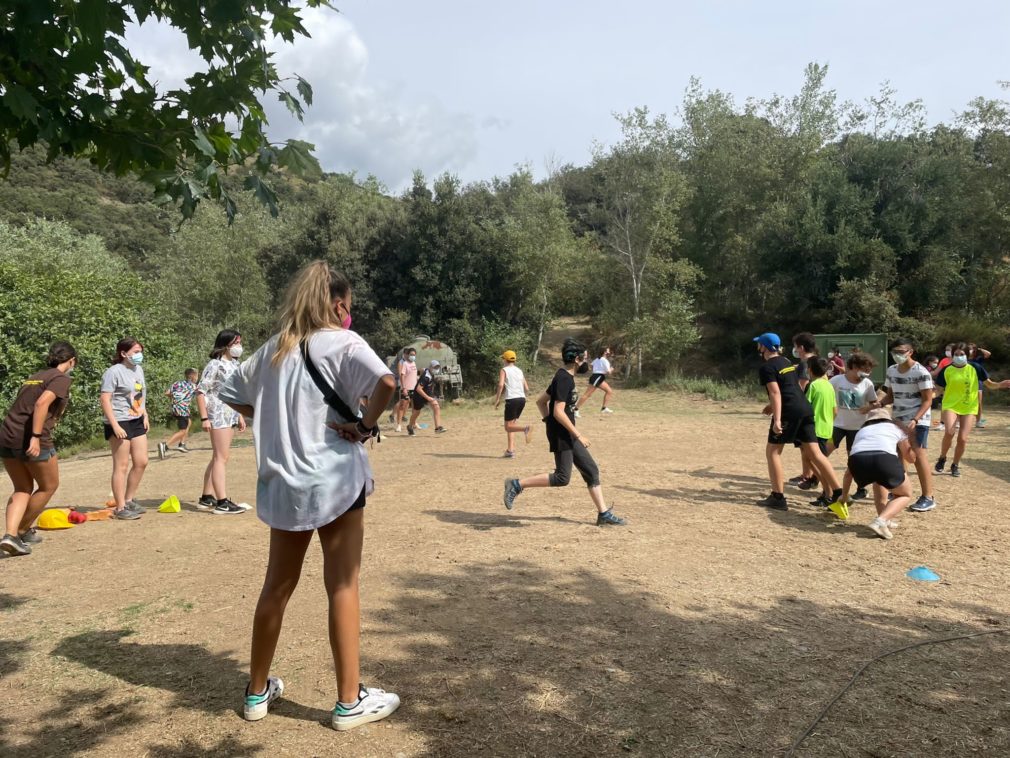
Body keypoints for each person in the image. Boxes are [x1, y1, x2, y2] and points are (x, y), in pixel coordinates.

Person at [218, 260, 400, 731]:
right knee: (342, 585)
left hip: (284, 484)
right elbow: (386, 383)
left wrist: (269, 415)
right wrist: (364, 426)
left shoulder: (270, 351)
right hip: (336, 480)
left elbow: (227, 387)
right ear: (338, 304)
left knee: (276, 587)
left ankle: (256, 693)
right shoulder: (344, 342)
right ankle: (348, 702)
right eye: (349, 307)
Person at [503, 338, 626, 525]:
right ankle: (517, 484)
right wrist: (576, 434)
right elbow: (558, 411)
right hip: (564, 434)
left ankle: (603, 514)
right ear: (576, 359)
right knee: (562, 477)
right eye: (584, 358)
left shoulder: (563, 376)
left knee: (591, 470)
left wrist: (548, 422)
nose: (586, 361)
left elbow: (541, 401)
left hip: (564, 431)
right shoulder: (564, 379)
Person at [0, 342, 77, 556]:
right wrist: (34, 437)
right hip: (32, 437)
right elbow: (42, 404)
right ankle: (18, 532)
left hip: (7, 434)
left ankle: (11, 535)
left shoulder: (36, 375)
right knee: (48, 485)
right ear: (71, 360)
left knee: (22, 488)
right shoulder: (60, 378)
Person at [753, 332, 841, 511]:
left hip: (789, 412)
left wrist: (777, 419)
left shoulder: (767, 367)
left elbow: (776, 393)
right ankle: (838, 492)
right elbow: (791, 388)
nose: (758, 347)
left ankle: (778, 497)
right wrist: (772, 406)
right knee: (816, 453)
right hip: (805, 408)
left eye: (759, 344)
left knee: (773, 452)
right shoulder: (785, 361)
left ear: (763, 347)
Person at [836, 407, 918, 540]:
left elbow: (848, 474)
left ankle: (884, 522)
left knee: (879, 480)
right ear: (889, 419)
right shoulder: (896, 429)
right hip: (883, 460)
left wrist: (844, 496)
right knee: (905, 494)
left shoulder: (861, 431)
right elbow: (910, 459)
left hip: (858, 462)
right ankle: (880, 521)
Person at [934, 343, 1010, 477]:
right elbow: (938, 391)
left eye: (961, 354)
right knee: (949, 432)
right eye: (956, 355)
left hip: (969, 407)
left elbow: (990, 385)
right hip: (950, 405)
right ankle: (942, 457)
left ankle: (955, 465)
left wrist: (1000, 385)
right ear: (952, 356)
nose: (959, 357)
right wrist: (927, 396)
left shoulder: (975, 367)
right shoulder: (946, 370)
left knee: (962, 439)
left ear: (967, 355)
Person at [195, 330, 248, 516]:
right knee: (221, 458)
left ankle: (206, 496)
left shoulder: (234, 364)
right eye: (236, 342)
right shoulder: (215, 364)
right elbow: (201, 391)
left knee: (219, 456)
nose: (239, 346)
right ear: (225, 344)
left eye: (240, 342)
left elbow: (235, 392)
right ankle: (222, 502)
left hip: (230, 414)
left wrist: (240, 415)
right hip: (217, 414)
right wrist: (204, 418)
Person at [881, 338, 936, 513]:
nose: (898, 355)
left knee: (918, 456)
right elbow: (890, 396)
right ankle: (900, 490)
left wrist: (916, 419)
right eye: (895, 352)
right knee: (899, 455)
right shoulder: (891, 370)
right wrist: (876, 404)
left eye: (901, 351)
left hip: (917, 419)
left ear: (910, 352)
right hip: (897, 418)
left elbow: (927, 400)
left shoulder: (921, 372)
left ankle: (928, 497)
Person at [100, 338, 149, 521]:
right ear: (123, 353)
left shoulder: (138, 369)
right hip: (119, 420)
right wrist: (115, 425)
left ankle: (128, 499)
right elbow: (105, 399)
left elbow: (139, 394)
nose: (139, 355)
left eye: (140, 351)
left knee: (141, 461)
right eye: (135, 352)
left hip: (136, 419)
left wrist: (145, 414)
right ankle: (120, 507)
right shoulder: (113, 372)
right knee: (121, 465)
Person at [825, 352, 878, 504]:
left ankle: (861, 489)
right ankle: (822, 482)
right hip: (836, 425)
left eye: (869, 370)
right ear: (854, 367)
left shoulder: (867, 384)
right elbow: (826, 397)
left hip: (857, 428)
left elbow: (874, 403)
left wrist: (867, 409)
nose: (867, 373)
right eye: (865, 369)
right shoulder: (836, 380)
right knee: (822, 454)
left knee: (854, 461)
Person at [804, 358, 837, 507]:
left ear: (810, 370)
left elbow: (805, 407)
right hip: (826, 429)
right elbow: (835, 410)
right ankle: (827, 492)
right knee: (811, 459)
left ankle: (828, 493)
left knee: (816, 461)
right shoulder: (829, 386)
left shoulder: (814, 385)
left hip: (814, 428)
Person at [493, 349, 532, 458]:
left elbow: (501, 385)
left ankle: (526, 428)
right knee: (512, 425)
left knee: (508, 427)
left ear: (505, 359)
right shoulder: (519, 370)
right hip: (521, 399)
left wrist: (497, 400)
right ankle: (510, 450)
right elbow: (527, 387)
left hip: (512, 400)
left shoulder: (504, 370)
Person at [161, 368, 198, 456]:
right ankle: (165, 446)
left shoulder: (177, 383)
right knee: (182, 430)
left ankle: (182, 444)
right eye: (196, 375)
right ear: (192, 376)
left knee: (188, 422)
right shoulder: (193, 386)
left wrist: (176, 398)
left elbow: (167, 393)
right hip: (183, 410)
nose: (197, 377)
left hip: (175, 408)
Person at [406, 360, 446, 435]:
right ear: (430, 367)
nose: (436, 369)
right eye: (435, 367)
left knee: (436, 406)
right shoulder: (426, 377)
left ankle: (438, 428)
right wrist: (428, 398)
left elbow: (422, 369)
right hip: (418, 395)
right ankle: (410, 426)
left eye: (437, 367)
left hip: (427, 393)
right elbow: (418, 389)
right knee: (416, 413)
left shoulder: (428, 371)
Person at [576, 347, 615, 414]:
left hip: (598, 377)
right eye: (608, 350)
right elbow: (609, 372)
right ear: (605, 352)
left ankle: (604, 408)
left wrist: (597, 369)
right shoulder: (605, 360)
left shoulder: (597, 359)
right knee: (587, 394)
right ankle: (575, 410)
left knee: (609, 391)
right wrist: (612, 369)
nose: (609, 352)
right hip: (598, 377)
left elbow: (591, 365)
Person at [393, 347, 418, 433]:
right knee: (402, 406)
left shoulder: (414, 363)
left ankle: (414, 423)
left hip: (414, 389)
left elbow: (414, 376)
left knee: (414, 407)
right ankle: (399, 425)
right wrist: (404, 388)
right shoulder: (404, 363)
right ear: (407, 355)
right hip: (406, 388)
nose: (412, 356)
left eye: (414, 355)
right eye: (411, 354)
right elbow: (402, 375)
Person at [968, 344, 992, 428]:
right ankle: (959, 421)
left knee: (978, 402)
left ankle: (978, 421)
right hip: (964, 382)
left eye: (970, 349)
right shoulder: (963, 359)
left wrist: (979, 349)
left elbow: (988, 354)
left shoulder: (978, 359)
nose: (969, 350)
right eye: (968, 349)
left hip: (978, 382)